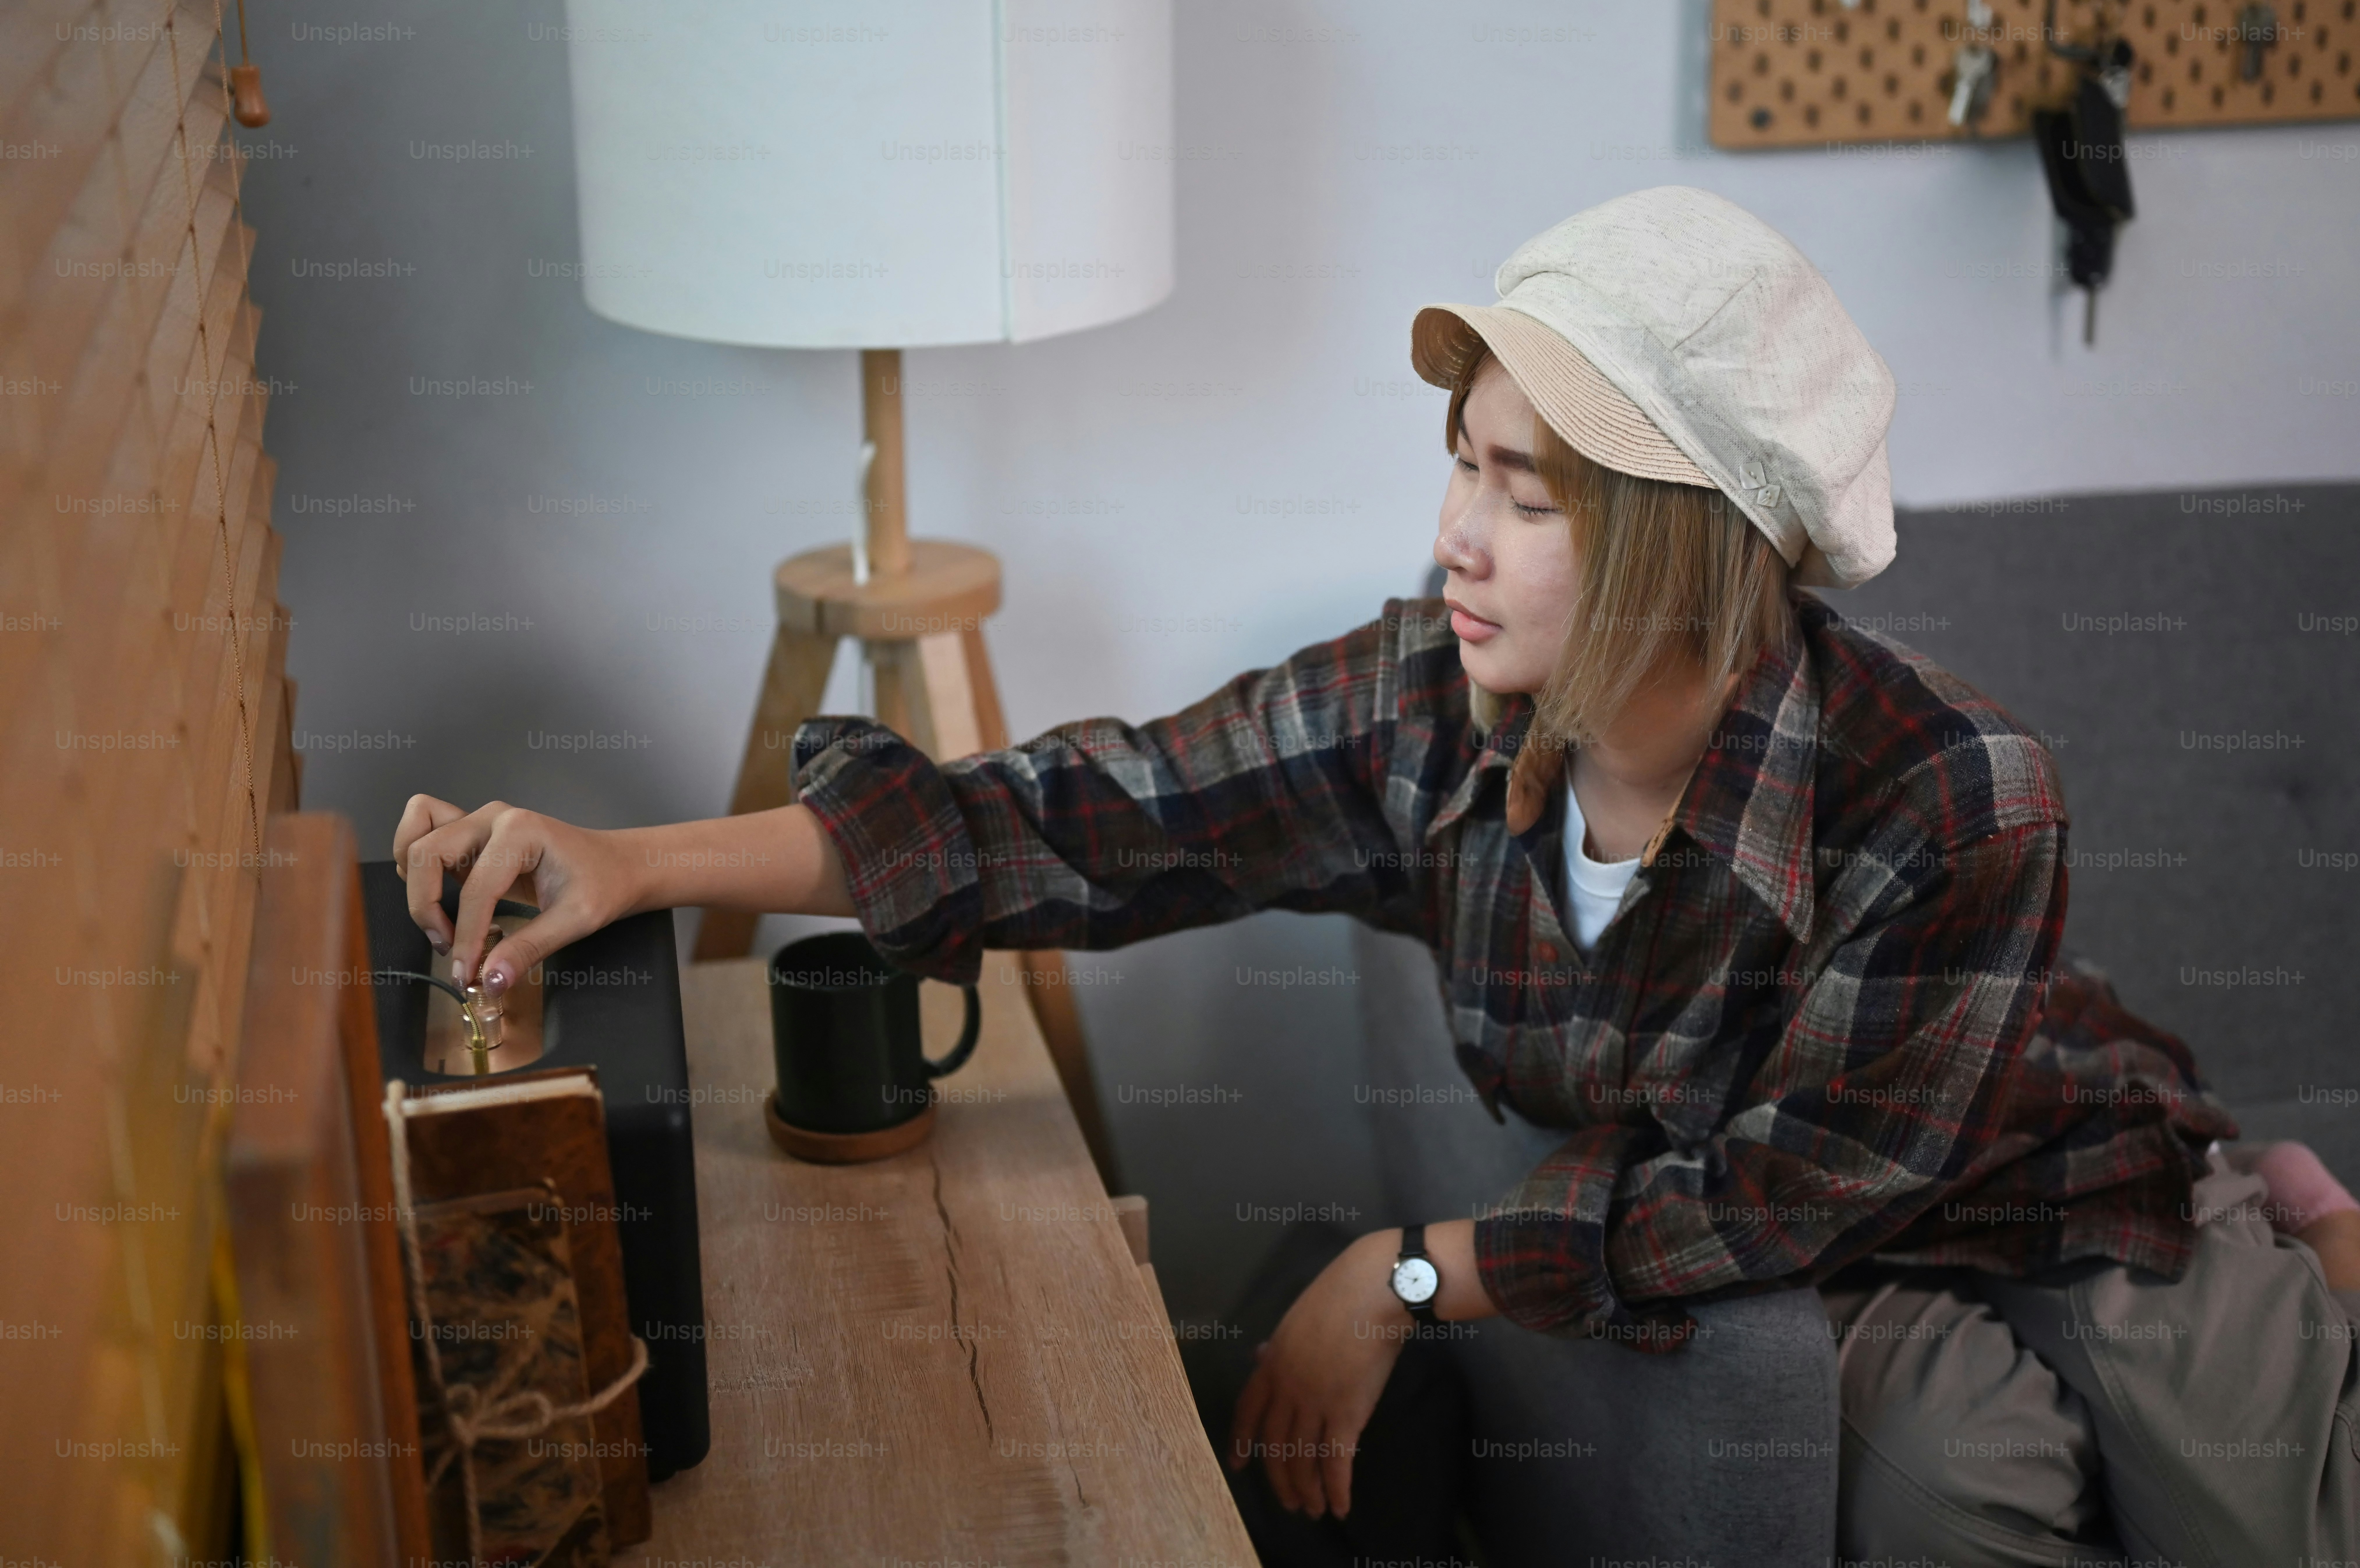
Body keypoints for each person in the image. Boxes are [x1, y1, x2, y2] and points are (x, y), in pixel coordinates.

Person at [394, 187, 2360, 1566]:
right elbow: (1096, 815)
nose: (1456, 534)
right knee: (1958, 1496)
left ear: (1684, 545)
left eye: (1528, 493)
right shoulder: (1433, 702)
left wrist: (1410, 1270)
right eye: (1463, 463)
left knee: (2272, 1507)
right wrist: (635, 860)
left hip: (2049, 1180)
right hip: (1827, 1269)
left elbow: (1770, 1185)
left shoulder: (1960, 800)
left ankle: (2294, 1226)